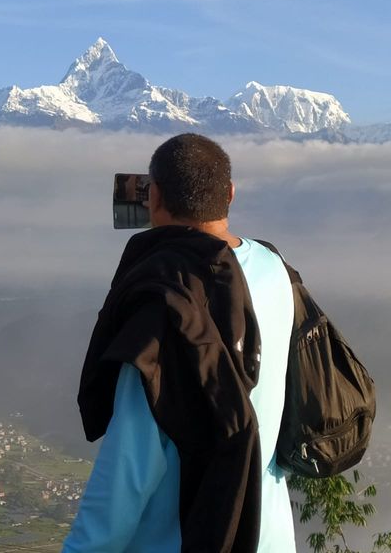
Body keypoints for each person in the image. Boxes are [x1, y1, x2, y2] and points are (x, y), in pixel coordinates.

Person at [63, 133, 296, 552]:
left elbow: (130, 464)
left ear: (153, 197)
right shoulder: (275, 269)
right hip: (269, 536)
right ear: (230, 194)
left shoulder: (164, 298)